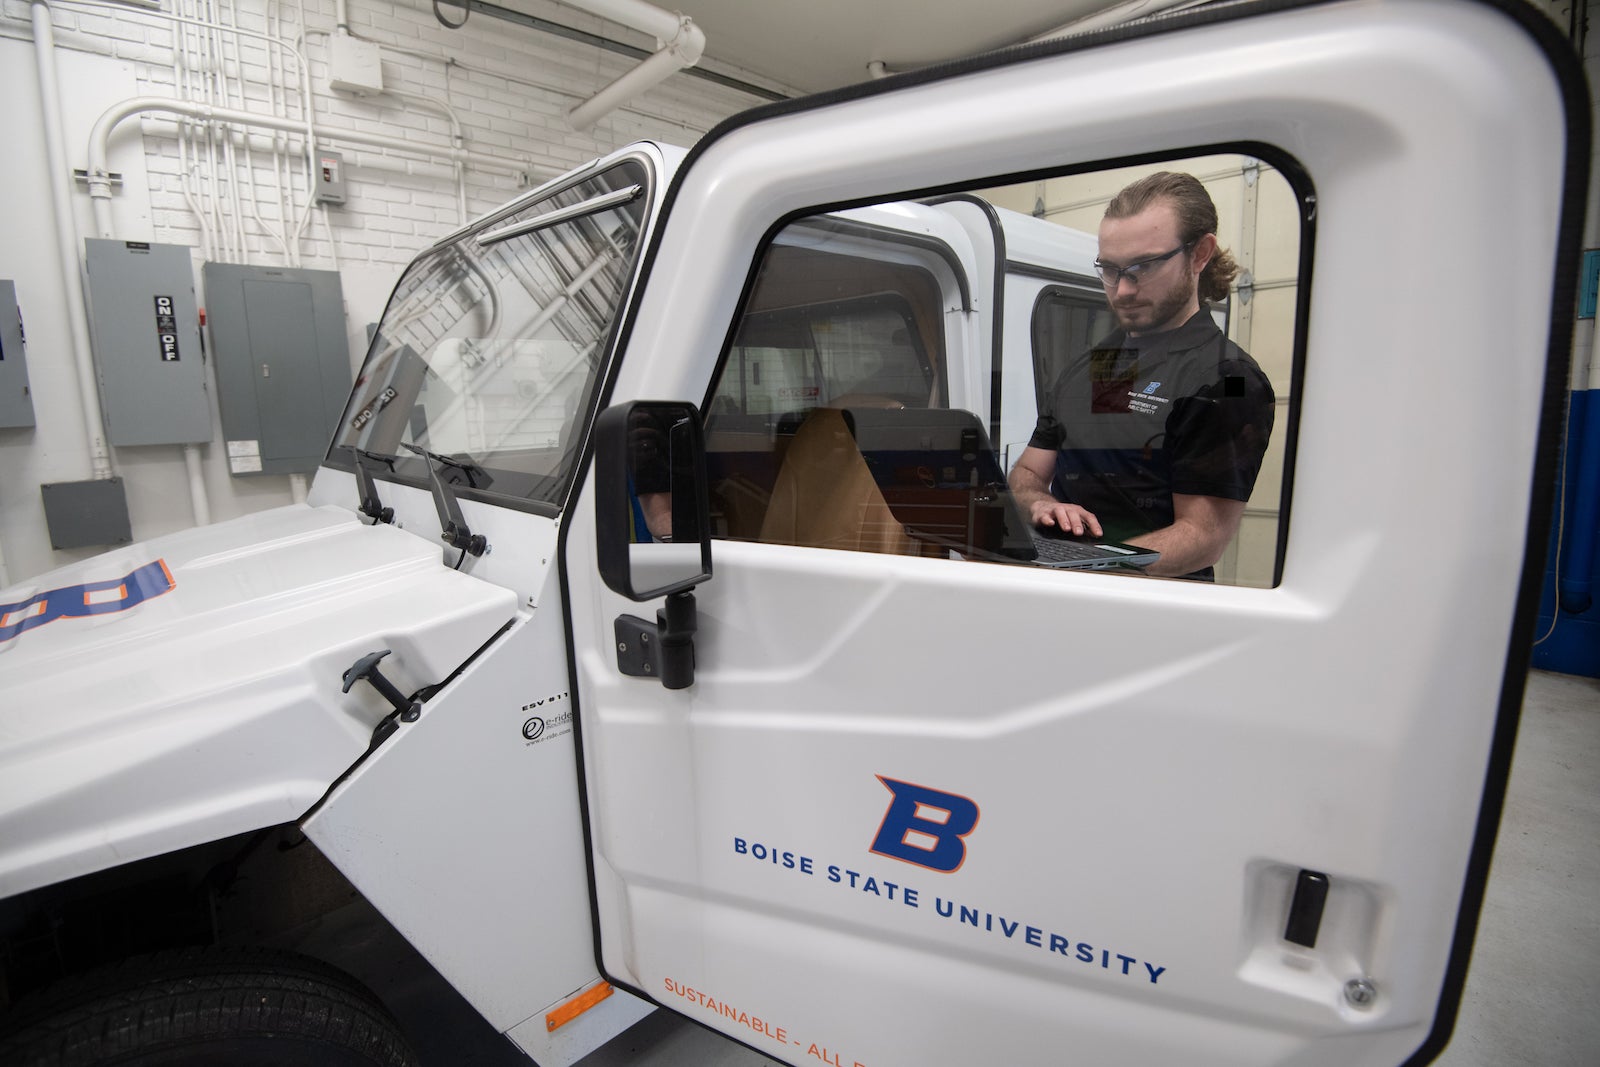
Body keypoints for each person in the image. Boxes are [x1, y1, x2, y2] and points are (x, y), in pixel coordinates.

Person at [1007, 171, 1275, 580]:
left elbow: (1203, 535)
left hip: (1150, 609)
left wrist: (1085, 568)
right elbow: (1027, 475)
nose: (1122, 290)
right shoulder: (1089, 367)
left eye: (1142, 268)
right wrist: (1039, 504)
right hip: (1062, 588)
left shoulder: (1226, 380)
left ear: (1200, 254)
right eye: (1110, 270)